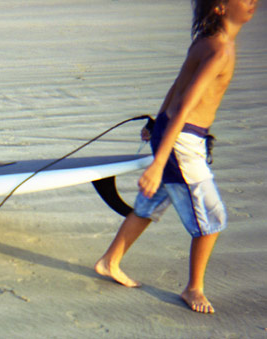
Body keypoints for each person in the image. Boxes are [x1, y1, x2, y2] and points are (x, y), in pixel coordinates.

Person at [94, 0, 257, 314]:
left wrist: (156, 124)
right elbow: (185, 104)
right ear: (220, 8)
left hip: (170, 130)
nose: (252, 2)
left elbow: (175, 88)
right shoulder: (219, 51)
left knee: (150, 205)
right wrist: (157, 164)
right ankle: (193, 287)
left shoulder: (205, 43)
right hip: (182, 141)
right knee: (212, 219)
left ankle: (109, 261)